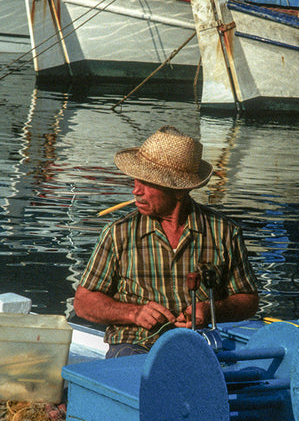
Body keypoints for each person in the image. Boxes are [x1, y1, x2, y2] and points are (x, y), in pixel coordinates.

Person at [73, 126, 259, 357]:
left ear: (180, 191)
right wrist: (134, 313)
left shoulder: (224, 232)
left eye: (147, 183)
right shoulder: (118, 233)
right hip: (136, 344)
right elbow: (83, 302)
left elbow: (248, 300)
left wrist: (210, 310)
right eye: (136, 180)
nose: (136, 190)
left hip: (199, 345)